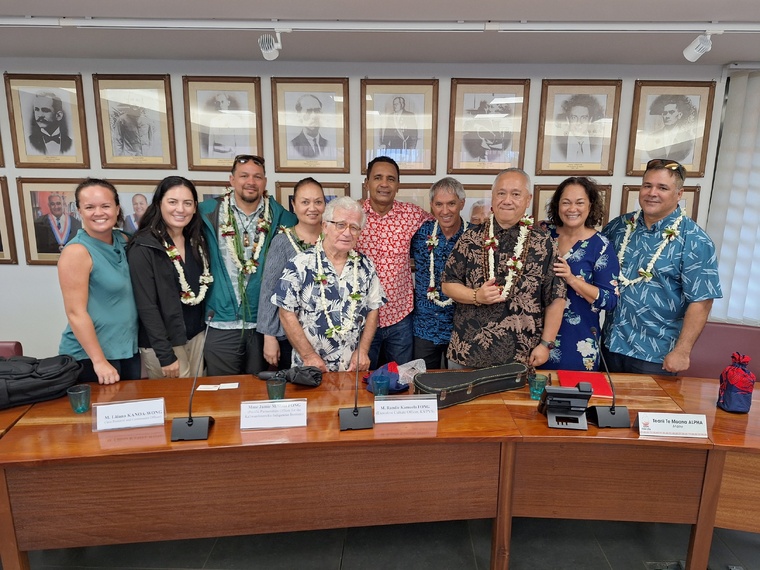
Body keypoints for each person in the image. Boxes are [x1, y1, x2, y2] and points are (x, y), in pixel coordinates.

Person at [602, 159, 722, 375]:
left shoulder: (695, 240)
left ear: (679, 194)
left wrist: (682, 351)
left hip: (655, 355)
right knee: (602, 408)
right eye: (647, 185)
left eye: (662, 187)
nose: (652, 193)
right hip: (610, 345)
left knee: (644, 410)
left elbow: (702, 301)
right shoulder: (619, 227)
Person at [441, 168, 566, 369]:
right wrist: (476, 296)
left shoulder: (544, 244)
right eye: (501, 193)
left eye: (516, 194)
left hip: (521, 358)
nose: (507, 200)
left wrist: (545, 345)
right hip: (467, 353)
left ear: (528, 199)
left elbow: (556, 298)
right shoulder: (470, 238)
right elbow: (448, 284)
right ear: (493, 197)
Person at [199, 154, 297, 376]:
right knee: (222, 394)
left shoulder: (283, 218)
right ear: (232, 179)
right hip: (220, 321)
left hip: (262, 326)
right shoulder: (206, 213)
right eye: (244, 176)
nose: (250, 182)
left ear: (265, 182)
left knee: (257, 395)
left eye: (257, 177)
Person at [274, 197, 386, 372]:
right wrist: (309, 356)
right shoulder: (299, 264)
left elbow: (374, 309)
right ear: (325, 226)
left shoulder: (366, 266)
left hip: (352, 369)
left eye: (354, 227)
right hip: (310, 368)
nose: (347, 233)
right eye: (340, 225)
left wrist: (363, 351)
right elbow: (286, 313)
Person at [127, 177, 212, 379]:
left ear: (194, 208)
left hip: (196, 337)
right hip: (165, 344)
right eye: (172, 202)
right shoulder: (144, 246)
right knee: (175, 407)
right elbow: (146, 306)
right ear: (159, 204)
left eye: (187, 203)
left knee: (197, 400)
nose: (180, 209)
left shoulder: (196, 241)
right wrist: (165, 355)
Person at [58, 179, 139, 384]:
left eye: (105, 206)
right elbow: (75, 313)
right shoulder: (76, 251)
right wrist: (99, 361)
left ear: (117, 208)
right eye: (90, 207)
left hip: (126, 350)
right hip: (90, 358)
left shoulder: (124, 240)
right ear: (79, 211)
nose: (99, 212)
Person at [356, 156, 432, 369]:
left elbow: (442, 227)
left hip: (400, 318)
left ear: (397, 185)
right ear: (367, 183)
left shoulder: (412, 214)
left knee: (402, 380)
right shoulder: (353, 215)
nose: (384, 184)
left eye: (391, 179)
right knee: (361, 381)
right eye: (377, 177)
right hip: (361, 319)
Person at [539, 177, 620, 371]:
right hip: (533, 336)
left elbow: (609, 300)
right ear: (557, 205)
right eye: (566, 202)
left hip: (577, 342)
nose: (572, 208)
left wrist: (572, 279)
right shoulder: (542, 233)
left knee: (571, 398)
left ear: (590, 205)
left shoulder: (600, 246)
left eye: (579, 202)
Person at [258, 177, 326, 370]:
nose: (312, 208)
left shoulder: (333, 238)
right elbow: (269, 291)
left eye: (318, 202)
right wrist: (269, 336)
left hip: (329, 335)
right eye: (305, 202)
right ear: (294, 205)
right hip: (290, 335)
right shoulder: (282, 242)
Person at [411, 177, 469, 369]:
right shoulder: (420, 234)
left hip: (462, 329)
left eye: (451, 203)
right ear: (431, 205)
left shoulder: (475, 237)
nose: (445, 211)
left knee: (459, 386)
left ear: (462, 203)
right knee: (423, 384)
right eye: (439, 204)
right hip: (425, 327)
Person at [551, 93, 605, 163]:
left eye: (584, 118)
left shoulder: (599, 145)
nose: (579, 122)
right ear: (568, 120)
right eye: (574, 118)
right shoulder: (557, 145)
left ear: (590, 120)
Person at [645, 95, 697, 163]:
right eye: (665, 113)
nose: (667, 116)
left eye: (671, 112)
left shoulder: (688, 139)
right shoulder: (652, 137)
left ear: (679, 115)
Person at [27, 91, 73, 156]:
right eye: (37, 109)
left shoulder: (71, 144)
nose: (39, 115)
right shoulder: (29, 142)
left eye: (45, 110)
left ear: (58, 116)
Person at [289, 94, 332, 159]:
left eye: (317, 111)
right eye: (308, 111)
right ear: (299, 115)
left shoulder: (328, 144)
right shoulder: (293, 145)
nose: (314, 116)